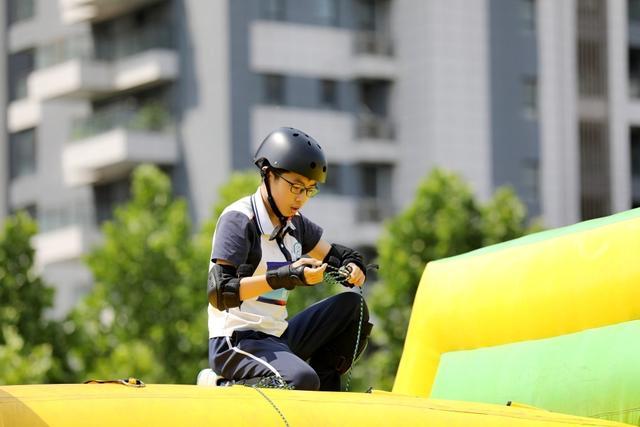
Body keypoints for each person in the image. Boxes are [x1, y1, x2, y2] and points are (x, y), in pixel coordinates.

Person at [207, 127, 372, 391]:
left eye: (309, 190)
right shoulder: (239, 219)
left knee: (352, 307)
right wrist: (284, 276)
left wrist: (353, 266)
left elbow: (335, 255)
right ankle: (228, 384)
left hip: (279, 338)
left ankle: (327, 397)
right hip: (237, 342)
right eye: (295, 186)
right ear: (268, 174)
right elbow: (220, 293)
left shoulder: (295, 225)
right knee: (302, 379)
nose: (301, 198)